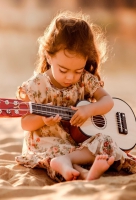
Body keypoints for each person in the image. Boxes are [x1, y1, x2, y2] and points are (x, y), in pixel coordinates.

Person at [15, 11, 136, 182]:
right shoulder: (36, 86)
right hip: (48, 142)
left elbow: (107, 101)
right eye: (63, 70)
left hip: (78, 145)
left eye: (77, 71)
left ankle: (68, 163)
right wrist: (43, 119)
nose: (71, 77)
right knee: (53, 152)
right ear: (49, 56)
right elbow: (25, 123)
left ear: (86, 60)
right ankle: (78, 170)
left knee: (107, 141)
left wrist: (89, 110)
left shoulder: (85, 79)